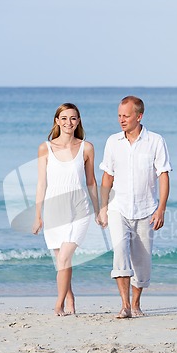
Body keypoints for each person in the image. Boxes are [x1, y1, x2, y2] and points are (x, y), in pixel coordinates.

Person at [99, 96, 172, 318]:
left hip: (146, 209)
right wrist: (102, 207)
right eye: (119, 115)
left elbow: (164, 175)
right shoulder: (113, 142)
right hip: (118, 208)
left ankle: (137, 303)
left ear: (139, 116)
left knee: (142, 260)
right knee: (120, 252)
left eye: (126, 116)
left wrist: (161, 209)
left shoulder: (156, 141)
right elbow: (107, 177)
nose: (122, 120)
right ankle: (124, 305)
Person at [32, 103, 101, 316]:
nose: (68, 122)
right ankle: (70, 297)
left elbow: (91, 182)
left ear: (78, 121)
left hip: (79, 211)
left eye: (72, 118)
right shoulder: (45, 148)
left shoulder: (86, 148)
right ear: (57, 121)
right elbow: (41, 183)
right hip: (53, 212)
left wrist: (99, 210)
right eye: (64, 118)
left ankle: (59, 304)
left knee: (64, 259)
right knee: (61, 262)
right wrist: (37, 216)